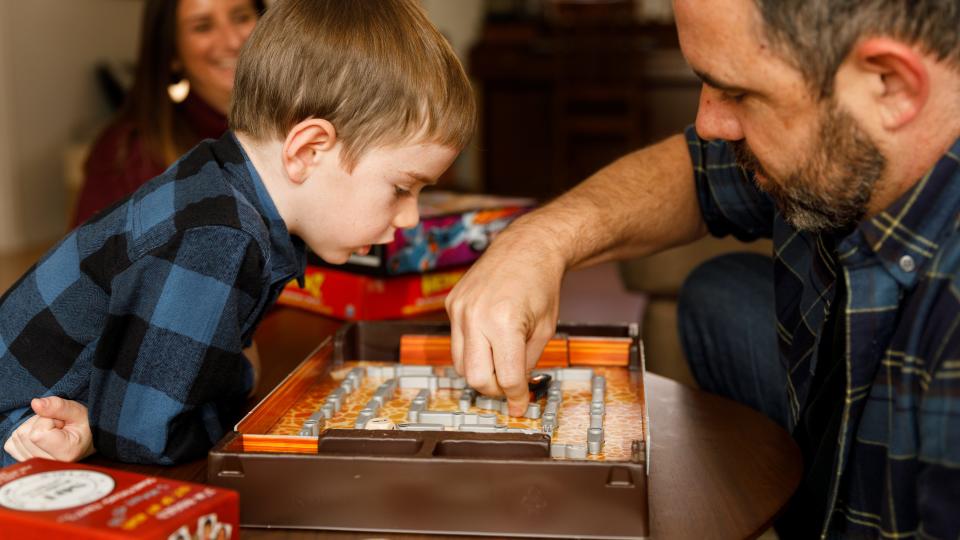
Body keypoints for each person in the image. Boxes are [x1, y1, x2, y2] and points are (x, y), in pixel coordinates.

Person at [445, 0, 960, 537]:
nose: (708, 123)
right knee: (718, 293)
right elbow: (693, 169)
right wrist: (537, 240)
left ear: (892, 85)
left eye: (737, 92)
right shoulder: (849, 128)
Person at [1, 0, 475, 466]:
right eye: (401, 188)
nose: (411, 218)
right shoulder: (217, 237)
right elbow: (147, 438)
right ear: (308, 150)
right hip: (18, 431)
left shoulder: (221, 182)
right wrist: (244, 375)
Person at [71, 0, 267, 227]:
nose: (233, 41)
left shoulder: (303, 125)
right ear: (172, 53)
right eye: (202, 27)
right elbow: (86, 260)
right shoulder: (128, 152)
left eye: (241, 17)